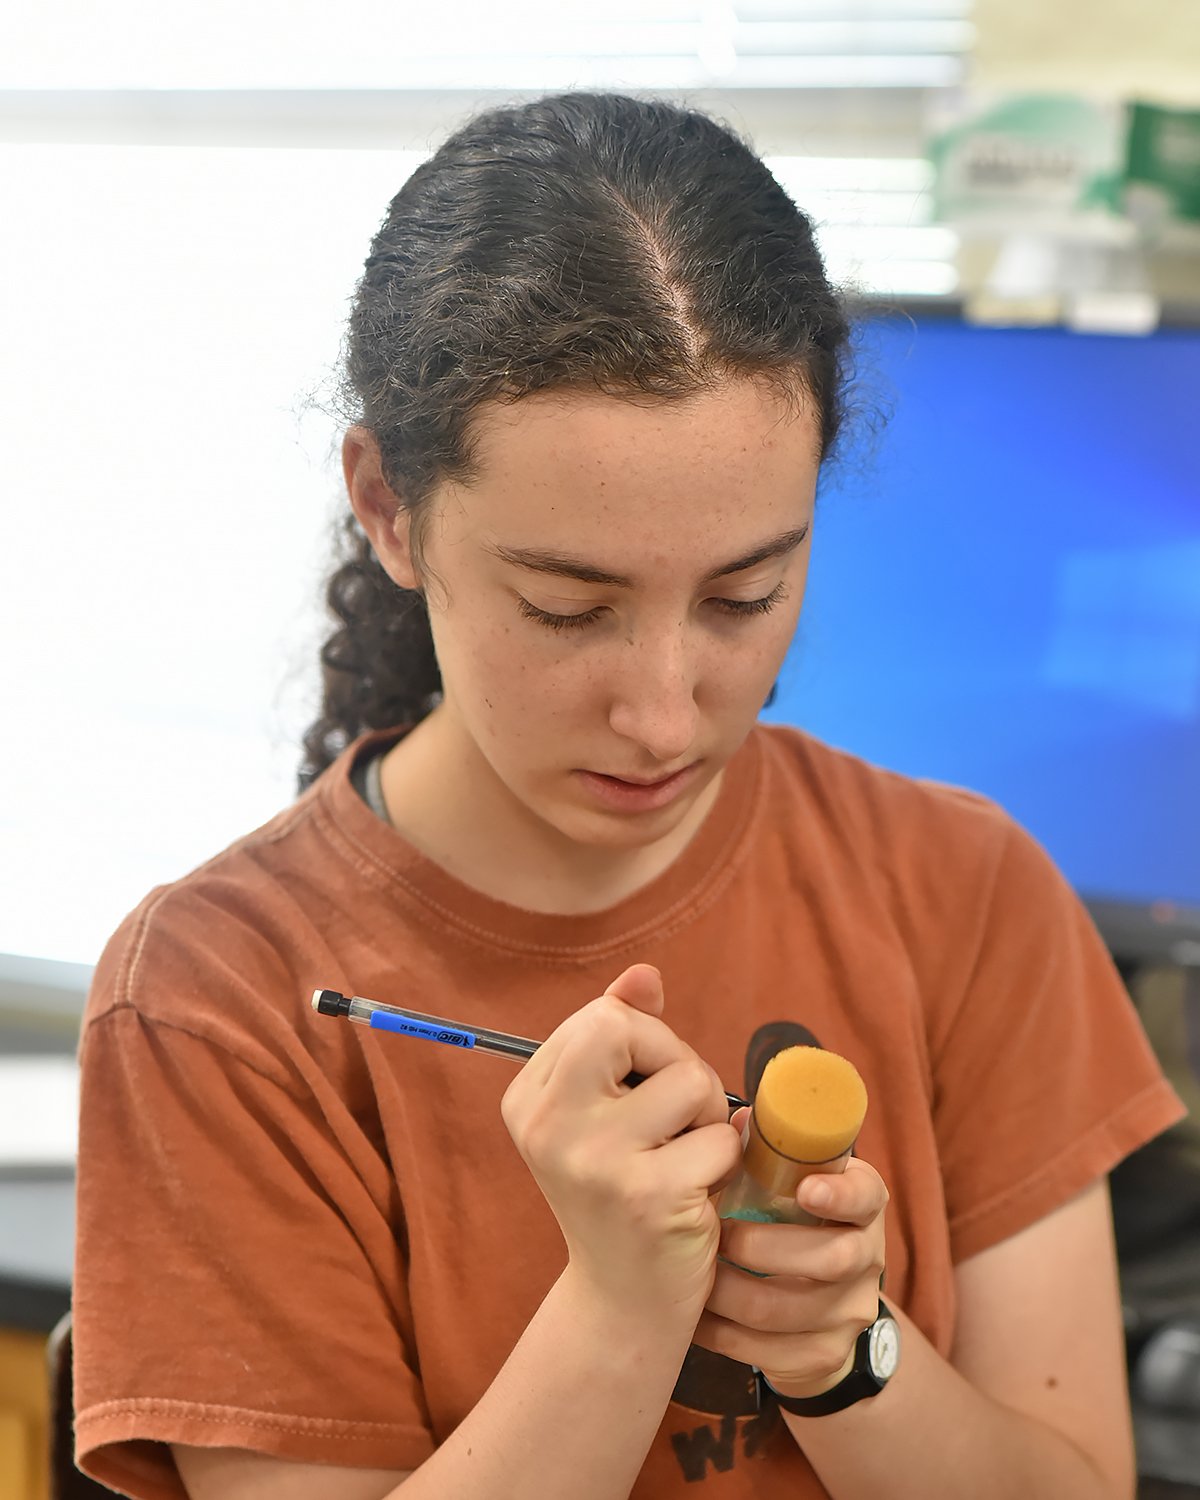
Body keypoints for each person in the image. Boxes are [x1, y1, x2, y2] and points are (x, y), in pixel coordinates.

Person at [72, 92, 1183, 1500]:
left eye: (745, 595)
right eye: (566, 608)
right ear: (388, 507)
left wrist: (841, 1350)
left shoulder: (965, 893)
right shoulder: (214, 1001)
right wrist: (616, 1309)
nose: (666, 714)